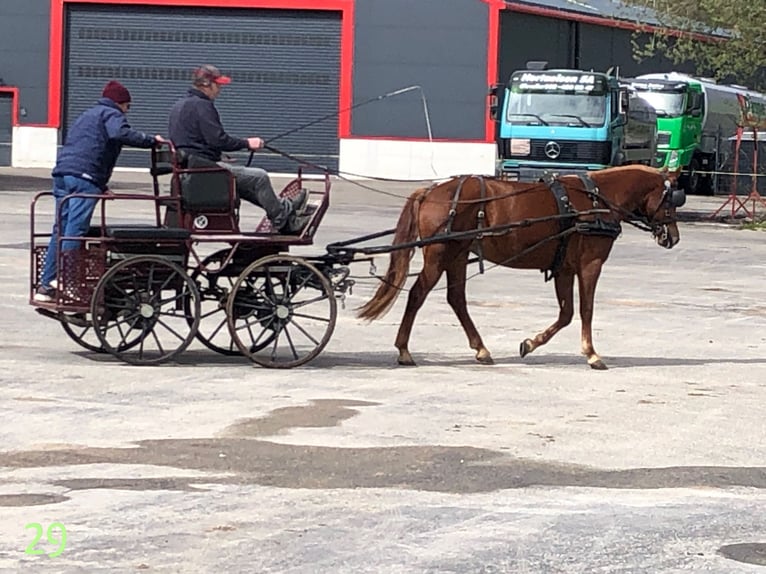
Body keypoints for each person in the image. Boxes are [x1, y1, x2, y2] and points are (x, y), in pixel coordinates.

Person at [35, 80, 164, 302]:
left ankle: (46, 285)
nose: (127, 112)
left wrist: (101, 186)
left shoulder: (87, 114)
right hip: (84, 178)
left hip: (63, 174)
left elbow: (88, 147)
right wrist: (151, 141)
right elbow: (119, 134)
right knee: (75, 229)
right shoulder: (111, 114)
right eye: (128, 107)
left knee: (61, 229)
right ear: (121, 103)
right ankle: (68, 280)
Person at [167, 64, 309, 234]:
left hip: (193, 167)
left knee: (247, 183)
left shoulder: (180, 105)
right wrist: (247, 143)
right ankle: (283, 222)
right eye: (217, 85)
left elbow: (193, 141)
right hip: (204, 170)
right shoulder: (202, 106)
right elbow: (218, 139)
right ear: (205, 84)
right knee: (259, 177)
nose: (219, 89)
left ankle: (283, 208)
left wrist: (217, 154)